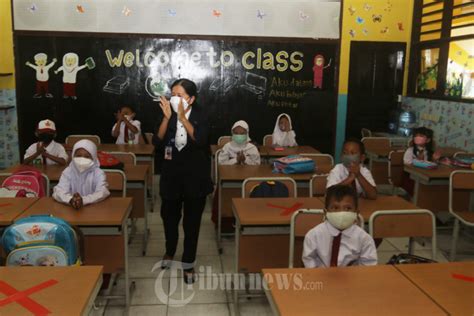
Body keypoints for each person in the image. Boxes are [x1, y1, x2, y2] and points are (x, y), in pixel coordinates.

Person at [154, 79, 213, 284]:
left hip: (195, 179)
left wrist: (181, 117)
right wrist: (166, 118)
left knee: (192, 224)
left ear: (191, 98)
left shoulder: (201, 115)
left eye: (180, 95)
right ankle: (170, 252)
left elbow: (201, 140)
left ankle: (188, 263)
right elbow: (158, 142)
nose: (175, 98)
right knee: (169, 220)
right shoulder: (167, 114)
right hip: (171, 178)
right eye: (173, 94)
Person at [302, 184, 377, 268]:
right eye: (335, 208)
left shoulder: (364, 239)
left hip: (353, 278)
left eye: (348, 208)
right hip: (320, 278)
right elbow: (309, 260)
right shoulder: (313, 235)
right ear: (325, 212)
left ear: (356, 213)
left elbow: (369, 267)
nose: (341, 213)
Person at [53, 139, 110, 209]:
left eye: (87, 157)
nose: (82, 159)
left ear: (94, 157)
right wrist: (70, 200)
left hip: (93, 210)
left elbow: (102, 192)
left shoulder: (98, 173)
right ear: (73, 156)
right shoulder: (68, 171)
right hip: (71, 209)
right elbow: (59, 191)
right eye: (78, 156)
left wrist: (83, 200)